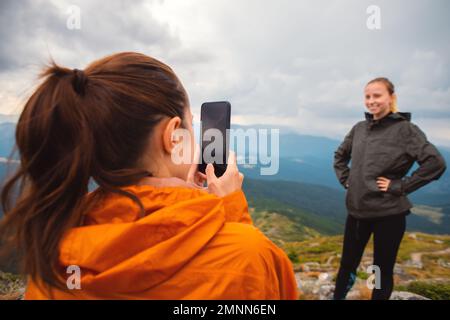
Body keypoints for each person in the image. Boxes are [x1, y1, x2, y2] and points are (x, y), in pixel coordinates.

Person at [0, 52, 298, 300]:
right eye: (191, 127)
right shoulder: (248, 256)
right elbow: (246, 280)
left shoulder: (53, 258)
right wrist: (232, 216)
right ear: (172, 136)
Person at [333, 77, 446, 300]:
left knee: (381, 268)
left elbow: (435, 163)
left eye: (377, 95)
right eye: (367, 96)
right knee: (347, 264)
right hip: (357, 211)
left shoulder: (406, 130)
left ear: (391, 98)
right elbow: (340, 156)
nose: (371, 101)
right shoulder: (359, 128)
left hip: (389, 214)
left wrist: (400, 186)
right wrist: (347, 180)